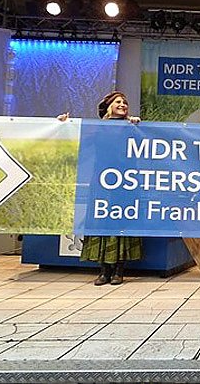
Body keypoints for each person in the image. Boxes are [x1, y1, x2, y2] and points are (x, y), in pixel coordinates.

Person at [58, 91, 142, 285]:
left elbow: (147, 142)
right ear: (110, 106)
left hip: (125, 182)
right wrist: (64, 125)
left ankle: (119, 270)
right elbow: (78, 140)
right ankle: (104, 271)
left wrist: (138, 124)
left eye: (125, 102)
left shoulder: (133, 127)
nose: (123, 105)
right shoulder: (97, 128)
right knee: (102, 220)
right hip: (102, 181)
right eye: (118, 102)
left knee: (121, 221)